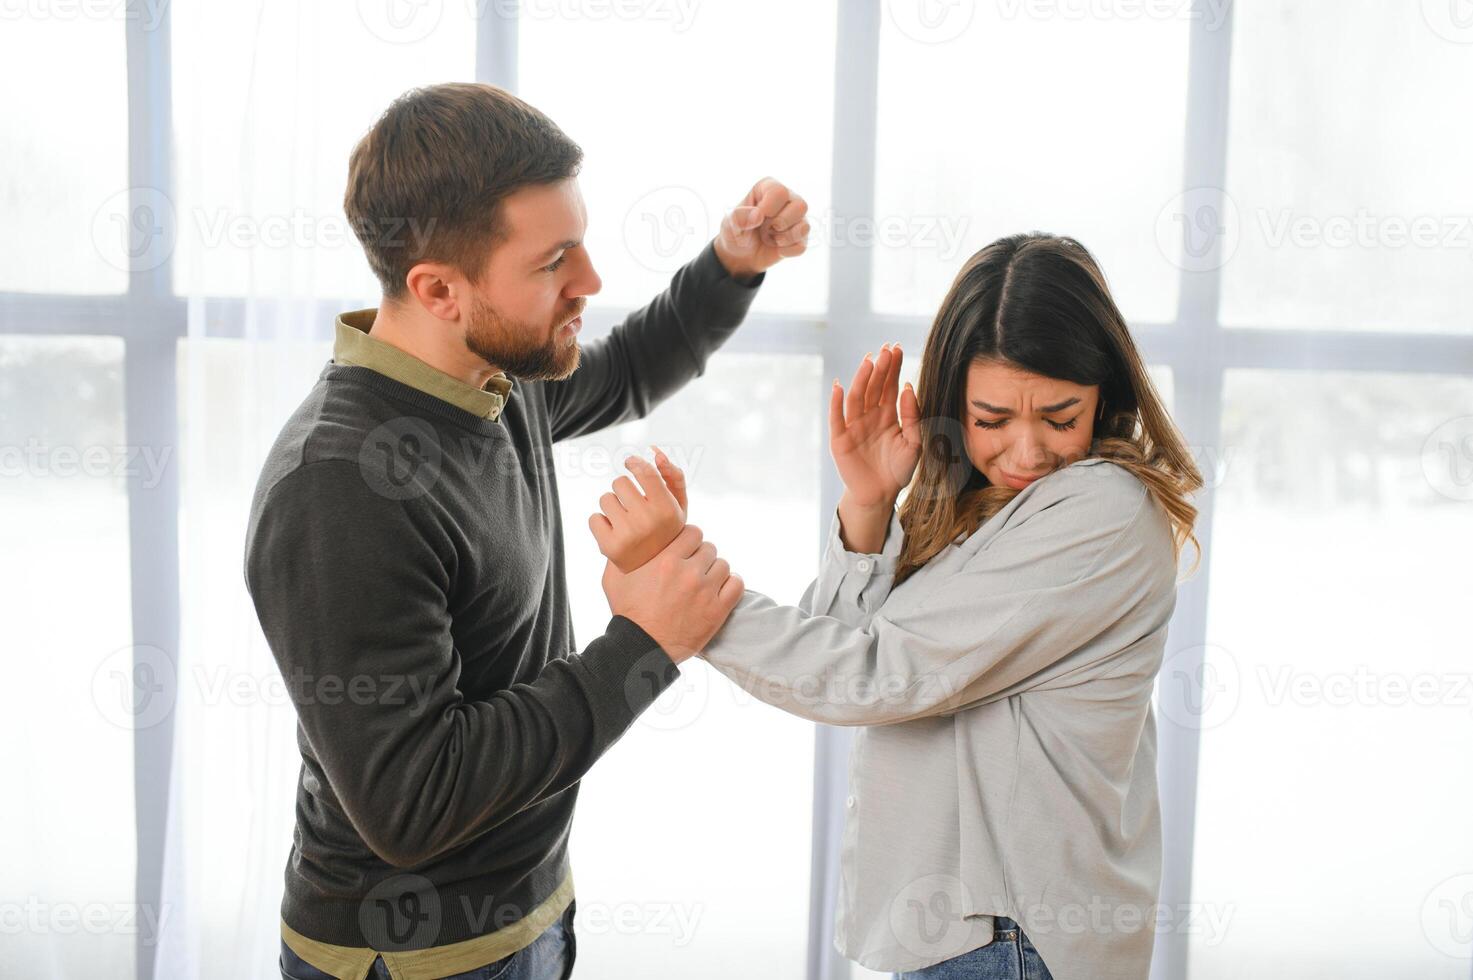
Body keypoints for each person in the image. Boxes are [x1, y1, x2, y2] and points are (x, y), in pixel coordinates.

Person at [243, 81, 808, 980]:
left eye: (579, 246)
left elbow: (623, 370)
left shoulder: (492, 380)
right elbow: (413, 805)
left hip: (526, 913)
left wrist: (732, 263)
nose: (588, 283)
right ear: (439, 289)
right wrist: (645, 644)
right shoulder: (339, 487)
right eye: (554, 264)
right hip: (415, 958)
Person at [592, 233, 1204, 980]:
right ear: (954, 403)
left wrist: (681, 585)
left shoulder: (1099, 507)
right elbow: (848, 653)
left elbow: (872, 677)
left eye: (1059, 415)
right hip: (977, 933)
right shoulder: (984, 509)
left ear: (1104, 392)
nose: (1025, 451)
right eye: (991, 419)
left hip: (1010, 935)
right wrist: (870, 504)